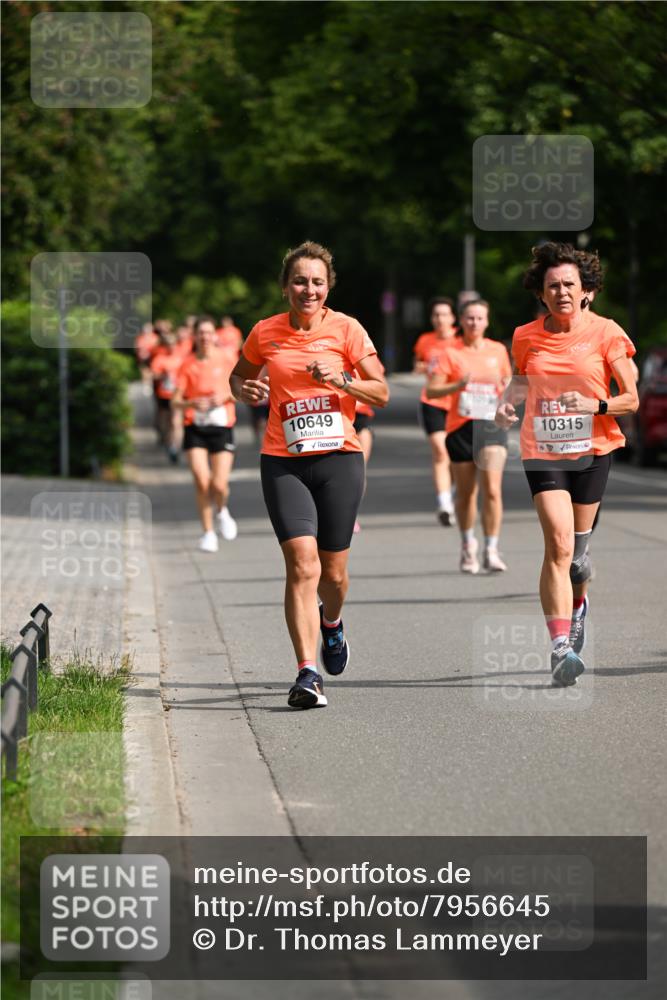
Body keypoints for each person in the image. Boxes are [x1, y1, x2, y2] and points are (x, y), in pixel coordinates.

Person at [231, 241, 388, 710]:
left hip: (339, 457)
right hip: (283, 459)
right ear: (285, 287)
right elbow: (238, 378)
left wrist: (341, 379)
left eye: (317, 282)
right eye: (300, 281)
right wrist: (245, 390)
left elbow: (380, 392)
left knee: (333, 575)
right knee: (302, 564)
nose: (309, 289)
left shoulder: (348, 330)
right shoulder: (265, 332)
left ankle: (332, 625)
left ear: (328, 287)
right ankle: (306, 672)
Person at [496, 242, 638, 686]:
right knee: (557, 544)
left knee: (578, 558)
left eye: (569, 285)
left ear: (586, 291)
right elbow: (520, 382)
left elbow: (630, 399)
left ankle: (579, 603)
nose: (560, 292)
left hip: (593, 451)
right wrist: (506, 405)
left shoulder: (606, 333)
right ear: (541, 293)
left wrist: (595, 403)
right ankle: (559, 647)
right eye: (552, 285)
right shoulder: (525, 336)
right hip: (542, 450)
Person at [427, 300, 511, 573]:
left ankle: (491, 548)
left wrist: (507, 395)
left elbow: (508, 383)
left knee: (493, 490)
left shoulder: (498, 351)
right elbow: (432, 391)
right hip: (460, 428)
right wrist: (459, 384)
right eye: (470, 318)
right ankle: (467, 545)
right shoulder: (450, 354)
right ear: (461, 322)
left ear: (487, 321)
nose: (474, 323)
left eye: (479, 318)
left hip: (491, 426)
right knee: (465, 493)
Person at [171, 316, 239, 552]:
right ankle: (208, 533)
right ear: (195, 337)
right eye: (201, 333)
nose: (205, 337)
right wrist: (191, 404)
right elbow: (175, 401)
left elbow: (241, 390)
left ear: (215, 336)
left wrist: (225, 397)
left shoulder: (227, 358)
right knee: (201, 480)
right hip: (195, 427)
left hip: (222, 426)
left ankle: (222, 510)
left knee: (219, 484)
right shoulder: (186, 364)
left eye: (209, 333)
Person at [413, 298, 460, 525]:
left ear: (452, 318)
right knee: (440, 451)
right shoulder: (425, 340)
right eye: (436, 315)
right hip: (432, 402)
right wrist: (421, 368)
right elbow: (418, 364)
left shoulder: (461, 341)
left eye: (444, 314)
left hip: (458, 405)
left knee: (454, 455)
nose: (439, 319)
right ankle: (444, 504)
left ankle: (449, 491)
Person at [150, 331, 184, 463]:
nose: (171, 347)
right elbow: (153, 374)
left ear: (176, 344)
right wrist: (163, 375)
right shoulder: (160, 359)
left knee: (176, 422)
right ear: (165, 346)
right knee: (166, 422)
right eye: (168, 344)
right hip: (164, 394)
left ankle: (175, 448)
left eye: (173, 344)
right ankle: (167, 441)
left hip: (178, 394)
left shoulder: (182, 358)